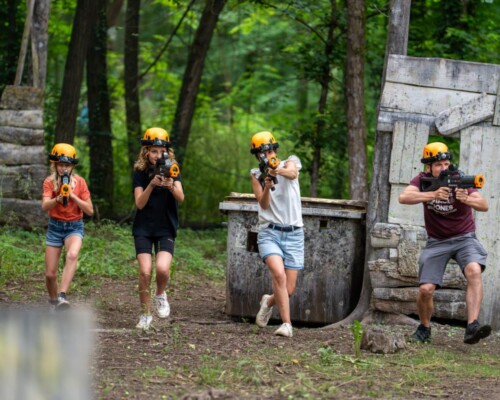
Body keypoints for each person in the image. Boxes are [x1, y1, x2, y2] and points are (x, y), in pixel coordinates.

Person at [399, 142, 491, 344]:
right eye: (439, 164)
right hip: (437, 242)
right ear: (428, 167)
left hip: (464, 238)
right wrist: (432, 194)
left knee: (474, 270)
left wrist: (466, 199)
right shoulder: (422, 180)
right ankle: (424, 328)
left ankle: (472, 326)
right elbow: (403, 197)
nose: (444, 168)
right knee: (426, 289)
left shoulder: (459, 179)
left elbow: (484, 205)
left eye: (446, 163)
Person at [250, 131, 304, 338]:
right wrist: (267, 185)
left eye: (271, 150)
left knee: (288, 289)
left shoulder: (291, 162)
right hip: (269, 233)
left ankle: (268, 301)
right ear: (257, 155)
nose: (269, 154)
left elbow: (293, 174)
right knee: (278, 275)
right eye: (263, 152)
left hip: (294, 233)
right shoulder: (257, 174)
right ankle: (286, 324)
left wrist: (277, 172)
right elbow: (263, 204)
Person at [132, 127, 184, 330]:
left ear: (167, 153)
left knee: (162, 269)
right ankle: (145, 314)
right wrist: (152, 184)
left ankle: (160, 294)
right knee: (145, 272)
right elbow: (139, 203)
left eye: (161, 151)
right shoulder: (140, 172)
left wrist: (171, 185)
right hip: (143, 228)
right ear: (146, 152)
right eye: (153, 151)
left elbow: (181, 198)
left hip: (165, 227)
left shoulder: (173, 169)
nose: (158, 155)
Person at [42, 143, 94, 310]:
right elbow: (45, 206)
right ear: (55, 164)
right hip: (55, 228)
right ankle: (53, 302)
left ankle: (62, 295)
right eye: (61, 164)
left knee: (72, 255)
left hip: (74, 227)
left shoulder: (80, 182)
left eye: (67, 165)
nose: (64, 168)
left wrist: (72, 196)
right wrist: (58, 198)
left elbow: (90, 210)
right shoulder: (49, 182)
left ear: (72, 166)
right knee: (50, 274)